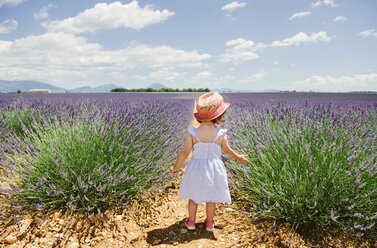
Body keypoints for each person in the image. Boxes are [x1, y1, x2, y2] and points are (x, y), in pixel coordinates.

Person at [170, 92, 249, 232]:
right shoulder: (220, 134)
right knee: (211, 198)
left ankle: (191, 222)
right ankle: (209, 224)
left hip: (196, 168)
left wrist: (176, 167)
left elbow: (184, 152)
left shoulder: (193, 133)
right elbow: (228, 150)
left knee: (193, 197)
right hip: (214, 169)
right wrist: (239, 158)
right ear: (219, 116)